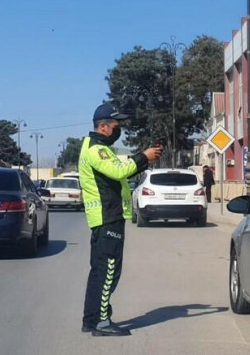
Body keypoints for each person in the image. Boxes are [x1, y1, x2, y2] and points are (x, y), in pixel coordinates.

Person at [79, 103, 162, 337]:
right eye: (117, 125)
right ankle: (102, 322)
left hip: (105, 216)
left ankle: (91, 319)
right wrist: (142, 156)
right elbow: (118, 172)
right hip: (108, 216)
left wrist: (144, 160)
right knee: (108, 271)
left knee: (98, 271)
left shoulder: (97, 146)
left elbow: (119, 171)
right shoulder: (97, 149)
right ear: (103, 127)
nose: (120, 129)